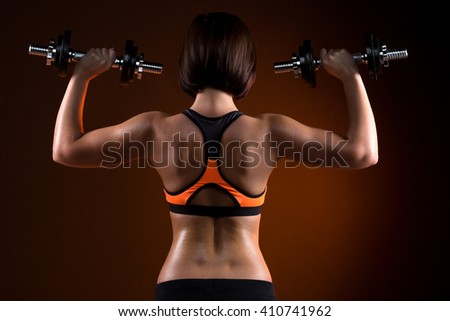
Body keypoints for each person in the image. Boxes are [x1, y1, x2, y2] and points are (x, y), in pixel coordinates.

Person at [52, 12, 378, 300]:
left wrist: (82, 75)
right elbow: (363, 153)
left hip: (179, 286)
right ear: (246, 66)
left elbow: (66, 150)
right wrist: (351, 76)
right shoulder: (270, 132)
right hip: (250, 287)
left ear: (188, 62)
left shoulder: (156, 129)